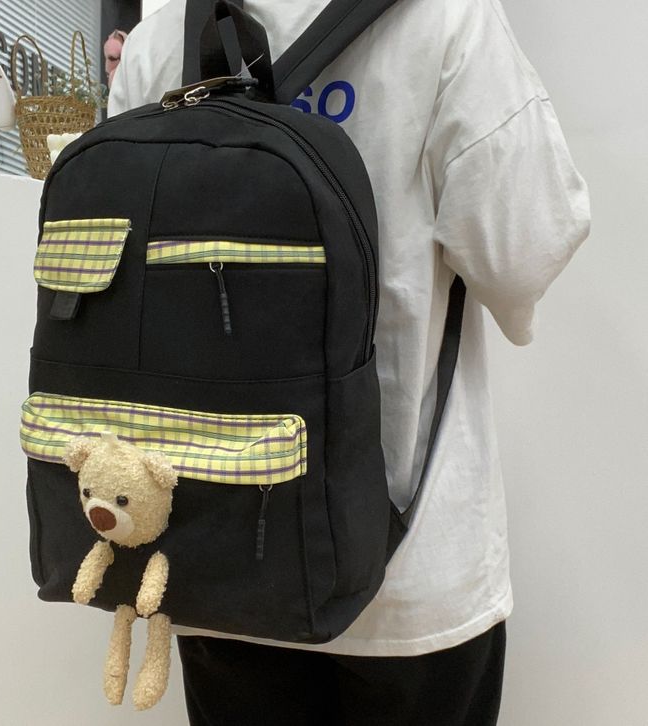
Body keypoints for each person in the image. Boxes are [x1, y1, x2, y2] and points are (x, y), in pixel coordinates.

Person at [108, 1, 591, 723]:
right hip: (407, 570)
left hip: (217, 557)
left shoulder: (161, 40)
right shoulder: (447, 19)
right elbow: (522, 252)